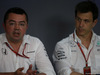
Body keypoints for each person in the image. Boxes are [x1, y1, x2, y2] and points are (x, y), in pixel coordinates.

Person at [0, 7, 56, 75]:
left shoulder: (35, 43)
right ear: (4, 26)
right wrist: (13, 74)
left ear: (26, 27)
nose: (17, 28)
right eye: (12, 23)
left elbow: (49, 71)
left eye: (21, 24)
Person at [53, 1, 100, 75]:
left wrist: (74, 73)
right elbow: (65, 72)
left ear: (94, 23)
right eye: (78, 19)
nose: (81, 25)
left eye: (86, 21)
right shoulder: (62, 45)